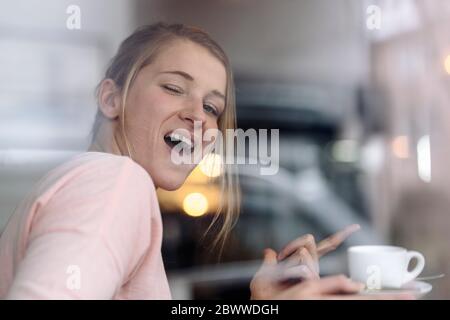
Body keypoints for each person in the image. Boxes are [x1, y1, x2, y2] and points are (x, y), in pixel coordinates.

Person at [0, 22, 412, 300]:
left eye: (213, 107)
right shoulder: (116, 181)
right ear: (111, 98)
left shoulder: (84, 180)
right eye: (175, 87)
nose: (198, 115)